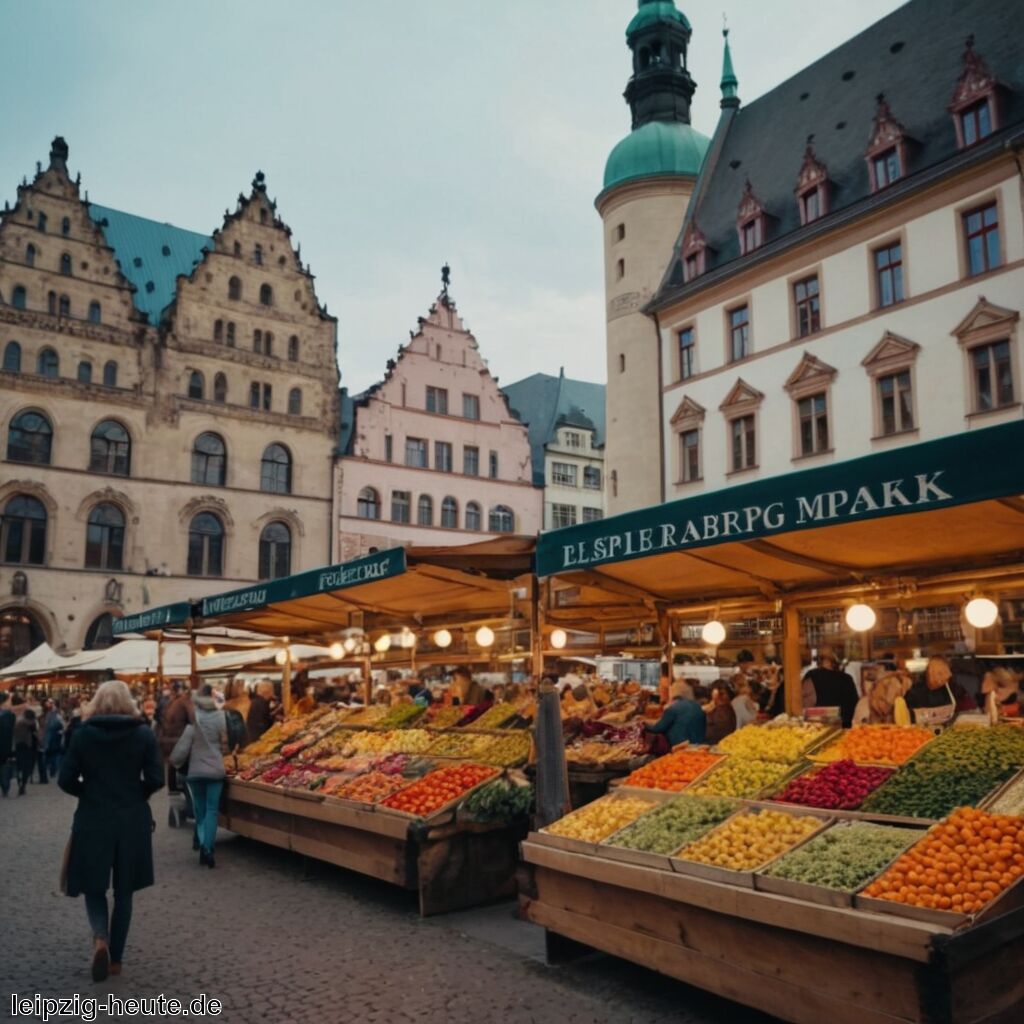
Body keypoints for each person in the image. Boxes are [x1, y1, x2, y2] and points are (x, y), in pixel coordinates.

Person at [58, 680, 163, 981]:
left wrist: (88, 792)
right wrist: (136, 793)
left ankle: (100, 938)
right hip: (131, 820)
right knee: (125, 890)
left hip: (93, 817)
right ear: (128, 702)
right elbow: (156, 778)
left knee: (93, 885)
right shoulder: (143, 734)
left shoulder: (83, 735)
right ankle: (115, 959)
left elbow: (65, 779)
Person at [171, 684, 227, 868]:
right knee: (212, 811)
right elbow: (225, 745)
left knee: (200, 812)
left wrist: (174, 763)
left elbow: (180, 752)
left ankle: (203, 845)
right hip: (216, 771)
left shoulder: (193, 725)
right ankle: (208, 849)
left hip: (195, 774)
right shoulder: (221, 718)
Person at [905, 655, 976, 724]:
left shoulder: (954, 689)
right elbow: (906, 716)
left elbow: (969, 709)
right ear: (927, 672)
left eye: (941, 673)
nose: (937, 678)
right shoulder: (914, 692)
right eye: (934, 672)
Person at [801, 647, 859, 728]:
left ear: (820, 661)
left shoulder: (812, 675)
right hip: (844, 726)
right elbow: (855, 705)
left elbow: (803, 701)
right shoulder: (847, 678)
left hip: (818, 727)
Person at [645, 681, 706, 748]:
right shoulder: (697, 706)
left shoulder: (672, 708)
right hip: (699, 743)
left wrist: (644, 725)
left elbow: (658, 728)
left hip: (680, 745)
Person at [13, 704, 38, 796]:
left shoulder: (18, 723)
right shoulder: (32, 724)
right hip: (28, 747)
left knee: (19, 765)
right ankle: (23, 784)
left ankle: (19, 780)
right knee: (26, 767)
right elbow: (35, 735)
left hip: (18, 746)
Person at [43, 699, 65, 780]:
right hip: (49, 735)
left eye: (49, 702)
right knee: (50, 753)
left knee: (55, 753)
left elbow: (63, 724)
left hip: (55, 735)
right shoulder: (48, 713)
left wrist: (61, 732)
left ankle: (53, 770)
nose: (47, 703)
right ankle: (50, 770)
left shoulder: (59, 713)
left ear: (53, 704)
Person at [0, 692, 16, 797]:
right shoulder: (9, 716)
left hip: (5, 748)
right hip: (5, 748)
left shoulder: (9, 716)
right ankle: (5, 786)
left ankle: (5, 785)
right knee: (4, 768)